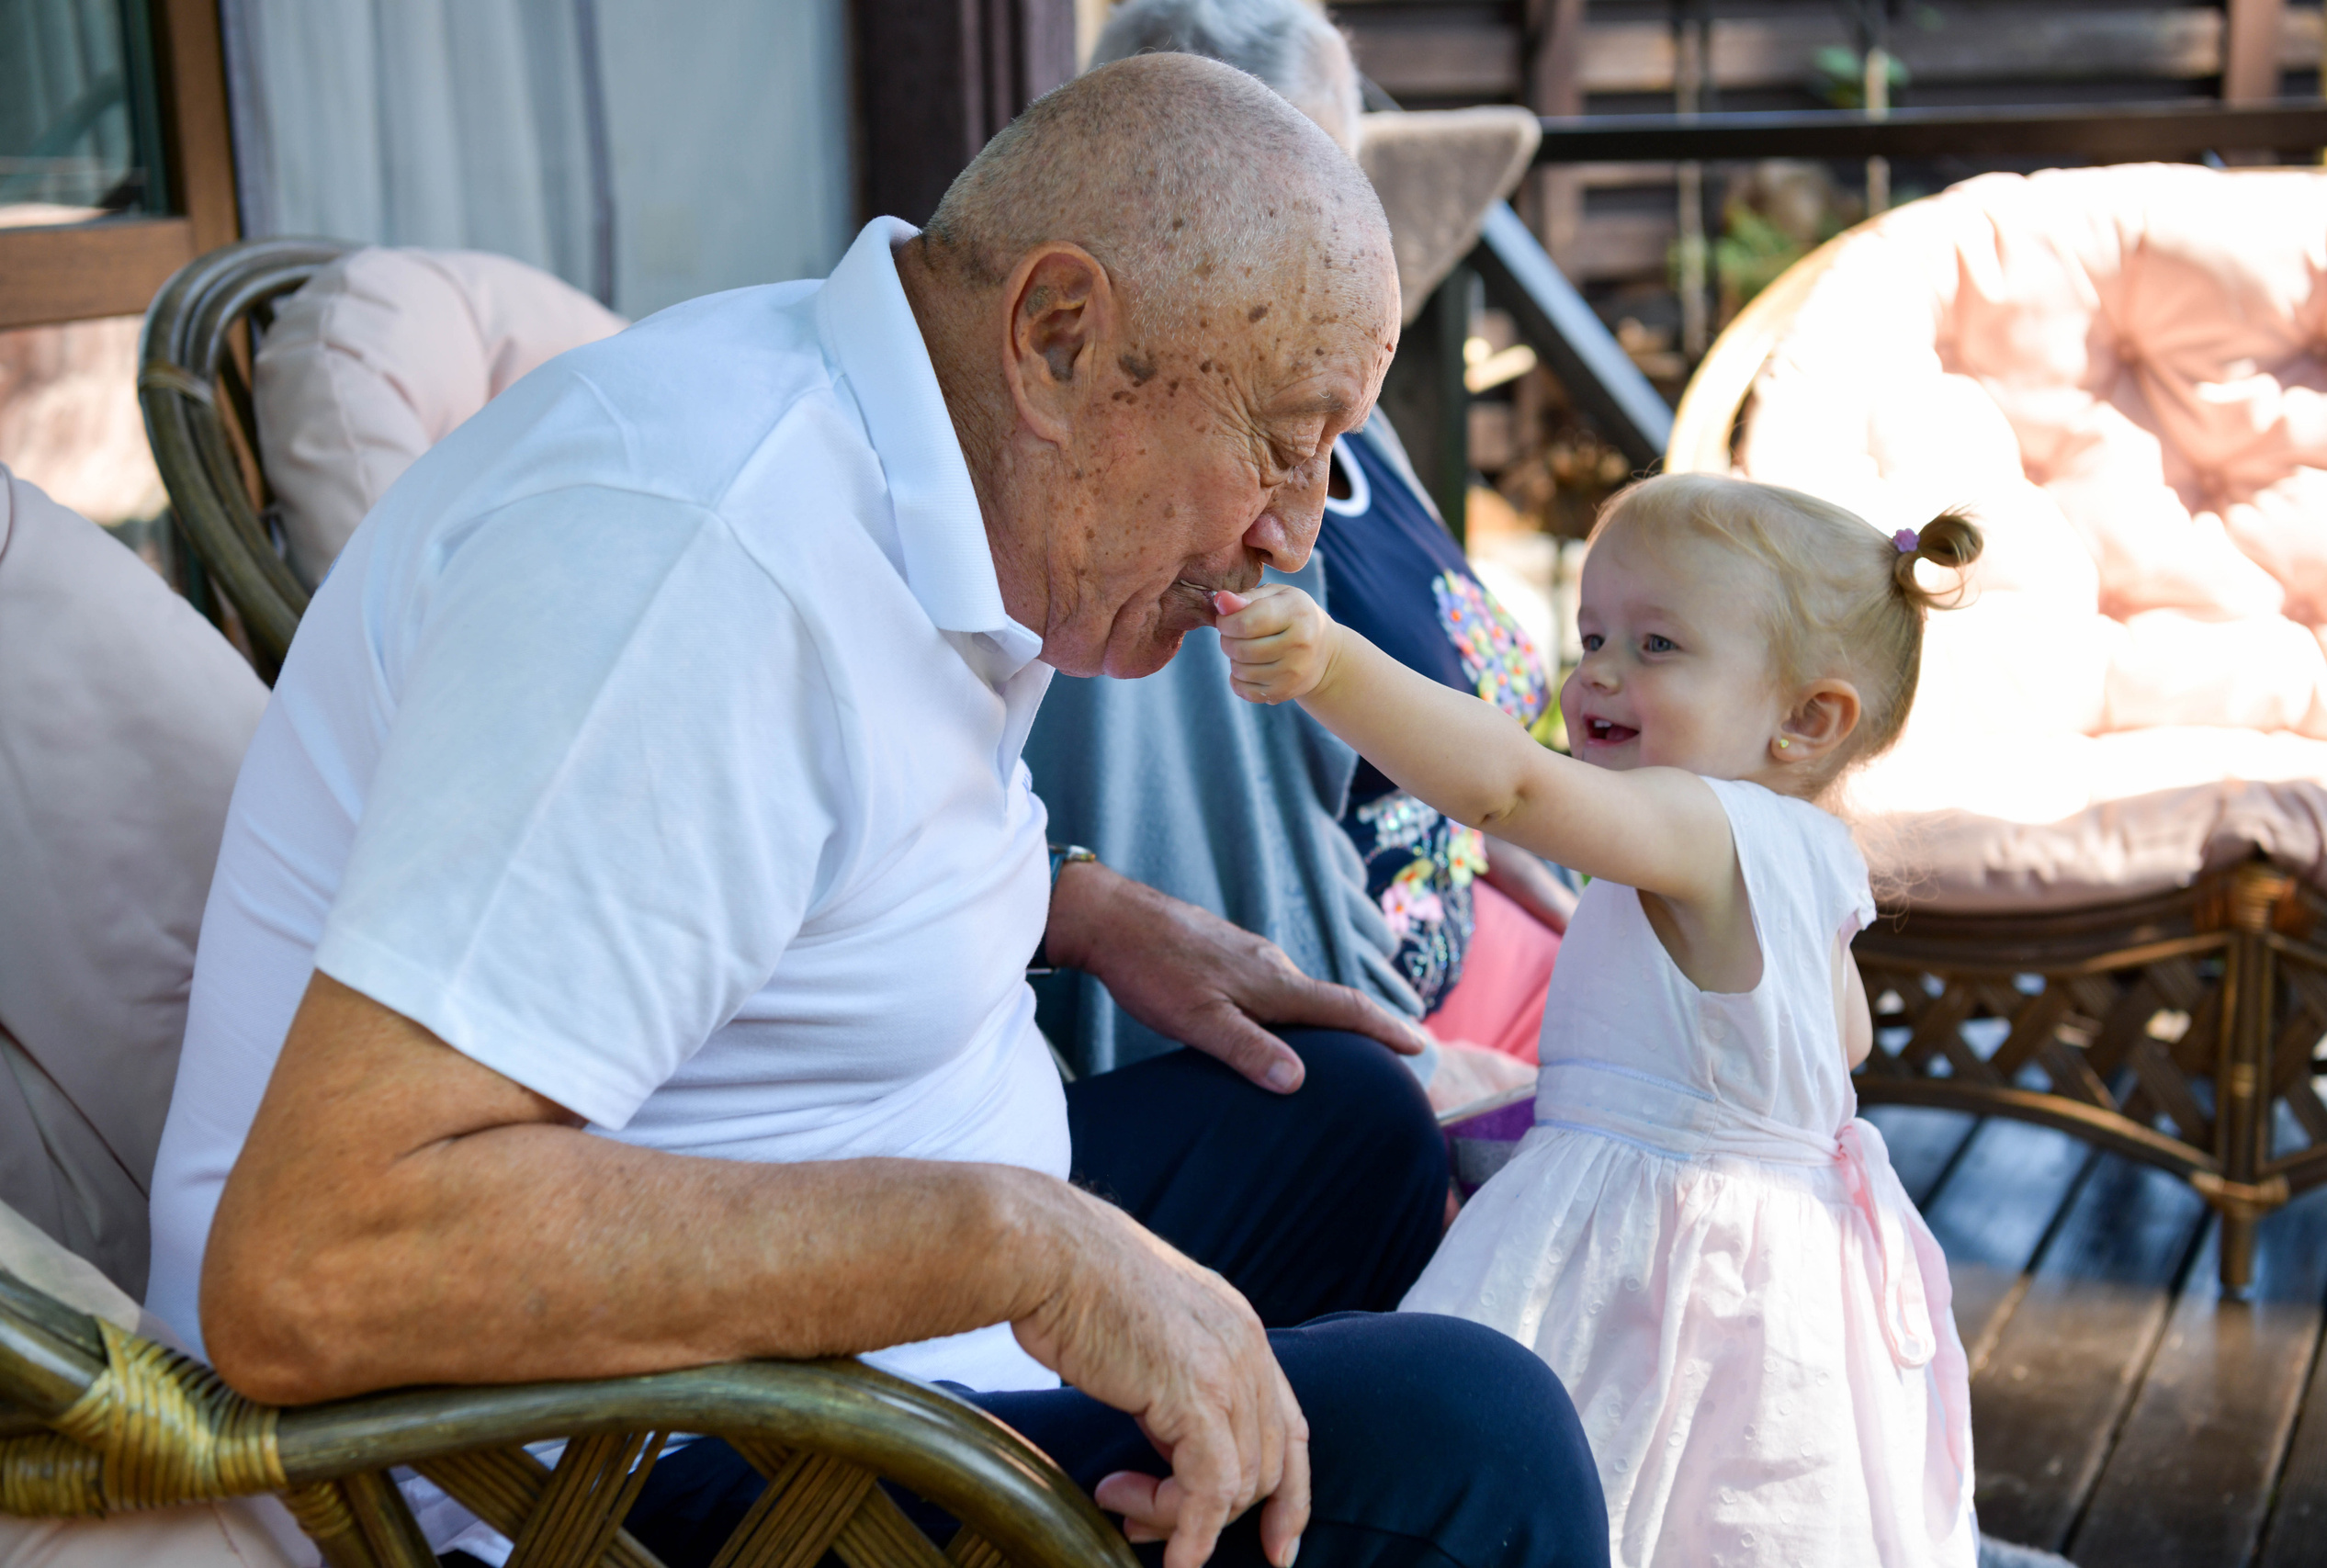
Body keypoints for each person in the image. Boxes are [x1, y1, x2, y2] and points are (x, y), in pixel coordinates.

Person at [145, 54, 1609, 1568]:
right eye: (1287, 446)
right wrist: (1021, 1247)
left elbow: (751, 829)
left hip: (825, 1307)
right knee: (1477, 1446)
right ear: (1057, 337)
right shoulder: (693, 573)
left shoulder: (915, 441)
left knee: (1342, 1116)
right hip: (592, 1471)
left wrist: (1077, 903)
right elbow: (312, 1261)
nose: (1293, 536)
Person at [1213, 474, 1983, 1565]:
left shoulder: (1700, 824)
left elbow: (1512, 791)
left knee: (1598, 1470)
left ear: (1807, 719)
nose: (1601, 675)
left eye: (1657, 646)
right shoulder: (1812, 861)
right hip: (1780, 1258)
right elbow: (1828, 1050)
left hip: (1654, 1259)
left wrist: (1333, 664)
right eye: (1592, 636)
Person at [1026, 0, 1573, 1093]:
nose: (1341, 232)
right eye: (1301, 185)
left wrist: (1548, 870)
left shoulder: (1347, 431)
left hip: (1530, 951)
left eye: (1350, 182)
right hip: (1411, 1053)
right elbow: (1235, 894)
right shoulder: (1191, 533)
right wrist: (1435, 1086)